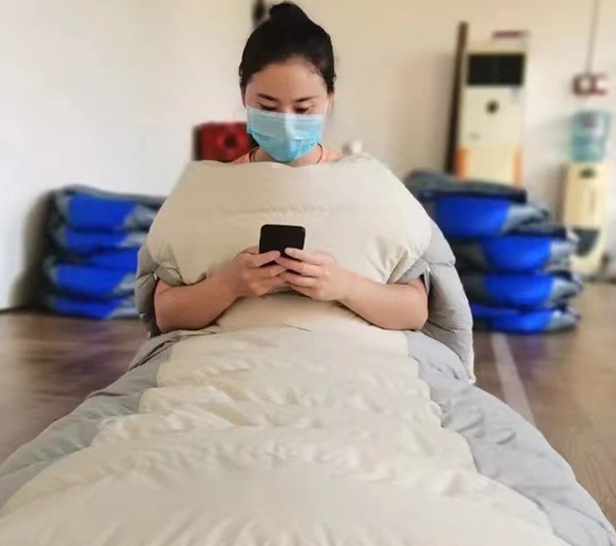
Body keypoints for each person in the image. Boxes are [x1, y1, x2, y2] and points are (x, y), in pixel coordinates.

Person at [152, 2, 428, 334]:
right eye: (267, 107)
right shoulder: (209, 190)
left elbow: (415, 312)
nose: (285, 122)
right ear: (243, 95)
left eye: (303, 108)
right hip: (233, 352)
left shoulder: (371, 185)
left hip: (346, 352)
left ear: (330, 98)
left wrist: (346, 286)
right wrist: (228, 285)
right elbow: (166, 315)